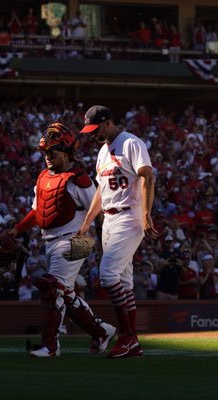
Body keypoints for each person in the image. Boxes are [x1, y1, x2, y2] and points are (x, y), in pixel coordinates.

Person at [8, 122, 116, 357]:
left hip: (73, 241)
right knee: (65, 294)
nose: (47, 157)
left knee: (51, 288)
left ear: (66, 152)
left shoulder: (79, 180)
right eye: (45, 152)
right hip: (49, 242)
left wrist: (104, 243)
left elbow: (98, 209)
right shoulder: (43, 178)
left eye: (52, 152)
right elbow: (37, 213)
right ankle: (101, 331)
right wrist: (16, 230)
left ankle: (51, 346)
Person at [77, 105, 158, 358]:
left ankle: (126, 336)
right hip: (109, 220)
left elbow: (147, 176)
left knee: (108, 274)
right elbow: (101, 190)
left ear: (108, 122)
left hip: (129, 215)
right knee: (123, 282)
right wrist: (88, 221)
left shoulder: (131, 143)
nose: (92, 134)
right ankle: (132, 342)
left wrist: (146, 214)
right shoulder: (103, 152)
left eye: (95, 128)